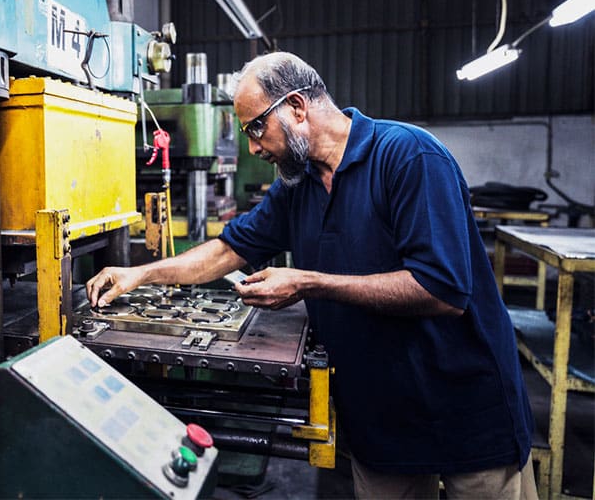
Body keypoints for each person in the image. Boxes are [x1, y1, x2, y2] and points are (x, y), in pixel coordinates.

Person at [87, 52, 537, 499]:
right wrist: (139, 275)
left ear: (297, 107)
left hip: (466, 409)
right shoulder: (295, 186)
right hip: (382, 422)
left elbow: (442, 289)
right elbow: (227, 249)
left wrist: (307, 282)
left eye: (255, 128)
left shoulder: (408, 157)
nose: (253, 148)